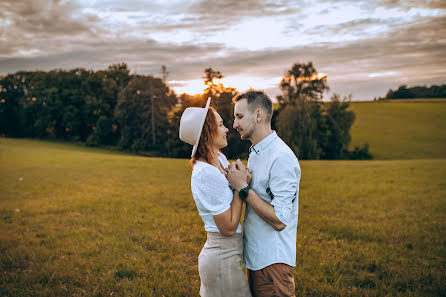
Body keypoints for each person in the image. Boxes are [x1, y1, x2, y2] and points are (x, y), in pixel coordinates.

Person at [226, 91, 301, 297]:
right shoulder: (257, 152)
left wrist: (243, 188)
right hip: (257, 259)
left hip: (273, 263)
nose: (234, 124)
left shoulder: (281, 157)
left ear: (258, 115)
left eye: (239, 117)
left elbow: (280, 220)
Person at [179, 97, 252, 297]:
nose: (227, 128)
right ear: (207, 132)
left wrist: (239, 176)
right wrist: (240, 188)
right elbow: (228, 227)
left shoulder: (218, 158)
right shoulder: (205, 173)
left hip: (229, 256)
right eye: (220, 125)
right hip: (221, 257)